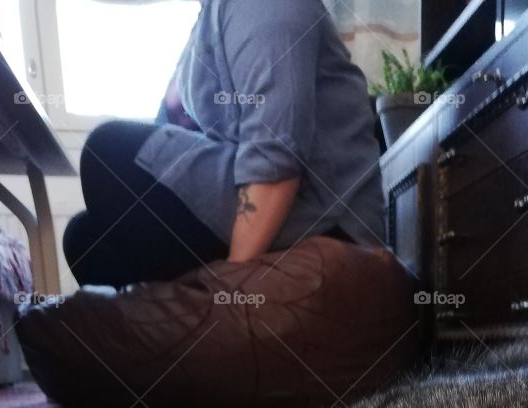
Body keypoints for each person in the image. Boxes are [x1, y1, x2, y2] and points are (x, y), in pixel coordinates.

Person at [63, 0, 384, 287]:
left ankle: (208, 317)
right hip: (274, 198)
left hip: (326, 221)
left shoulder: (263, 7)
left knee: (107, 153)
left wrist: (233, 287)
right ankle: (177, 341)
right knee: (85, 239)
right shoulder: (210, 19)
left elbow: (275, 157)